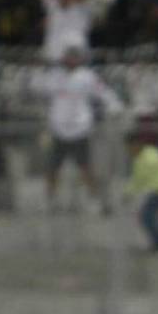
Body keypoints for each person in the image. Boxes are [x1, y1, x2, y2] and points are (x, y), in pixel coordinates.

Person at [33, 47, 123, 212]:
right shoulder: (54, 76)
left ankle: (93, 200)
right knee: (52, 168)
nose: (71, 60)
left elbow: (103, 92)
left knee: (86, 167)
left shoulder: (87, 76)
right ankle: (50, 200)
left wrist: (114, 105)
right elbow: (38, 88)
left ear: (80, 59)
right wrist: (42, 68)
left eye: (75, 57)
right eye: (68, 57)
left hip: (80, 130)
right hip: (58, 129)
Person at [125, 130, 158, 253]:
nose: (129, 151)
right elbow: (138, 179)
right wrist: (129, 192)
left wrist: (128, 194)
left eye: (130, 147)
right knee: (147, 216)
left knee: (146, 216)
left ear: (136, 144)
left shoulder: (146, 157)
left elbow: (139, 179)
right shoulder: (149, 153)